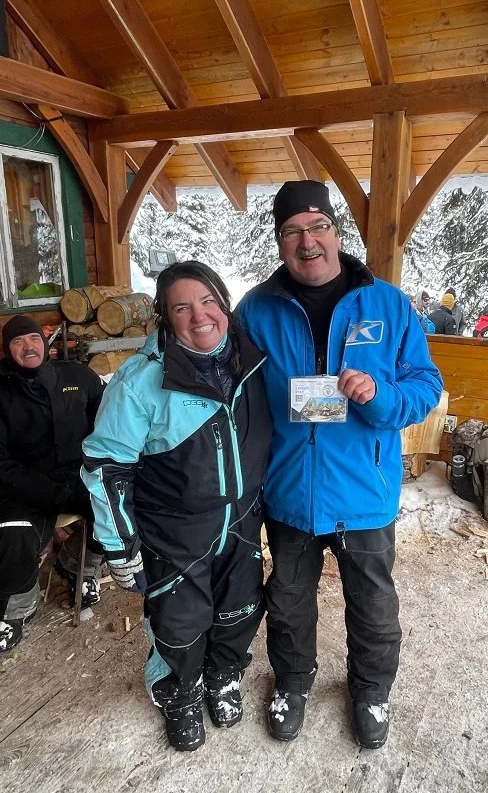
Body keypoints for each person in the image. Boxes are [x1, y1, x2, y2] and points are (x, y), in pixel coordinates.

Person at [236, 180, 443, 750]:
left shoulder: (387, 304)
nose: (308, 241)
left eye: (317, 227)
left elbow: (426, 385)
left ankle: (371, 689)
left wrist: (379, 395)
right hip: (289, 491)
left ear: (335, 232)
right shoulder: (256, 310)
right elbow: (226, 384)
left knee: (373, 604)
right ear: (280, 242)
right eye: (292, 231)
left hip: (363, 491)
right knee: (289, 599)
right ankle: (293, 683)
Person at [81, 262, 272, 753]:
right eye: (182, 307)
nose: (199, 315)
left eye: (208, 301)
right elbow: (106, 466)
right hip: (174, 529)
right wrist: (120, 546)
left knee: (240, 610)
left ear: (225, 304)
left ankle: (224, 674)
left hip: (243, 520)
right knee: (179, 620)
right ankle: (180, 692)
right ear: (166, 317)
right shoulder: (141, 381)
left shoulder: (253, 359)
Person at [0, 315, 104, 653]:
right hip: (24, 488)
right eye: (18, 341)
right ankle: (17, 608)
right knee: (13, 532)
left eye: (33, 338)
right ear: (7, 349)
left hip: (80, 477)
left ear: (45, 343)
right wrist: (53, 495)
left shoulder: (77, 376)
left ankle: (77, 567)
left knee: (116, 510)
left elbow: (110, 425)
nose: (28, 346)